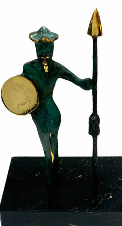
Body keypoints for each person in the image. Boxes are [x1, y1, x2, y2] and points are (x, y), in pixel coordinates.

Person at [21, 26, 92, 197]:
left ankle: (53, 176)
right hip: (39, 112)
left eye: (48, 47)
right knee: (48, 148)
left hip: (53, 112)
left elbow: (77, 80)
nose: (45, 51)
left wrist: (88, 83)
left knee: (53, 144)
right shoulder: (29, 68)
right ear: (36, 47)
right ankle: (51, 178)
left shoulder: (55, 67)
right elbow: (19, 87)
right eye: (41, 47)